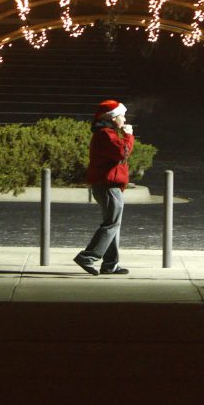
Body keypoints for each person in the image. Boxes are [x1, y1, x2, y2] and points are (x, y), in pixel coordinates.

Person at [74, 99, 135, 276]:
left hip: (107, 184)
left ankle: (110, 264)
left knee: (113, 224)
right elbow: (122, 152)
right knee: (111, 224)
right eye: (121, 115)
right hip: (108, 185)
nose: (124, 119)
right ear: (112, 117)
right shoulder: (106, 134)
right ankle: (88, 256)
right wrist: (129, 136)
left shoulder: (105, 133)